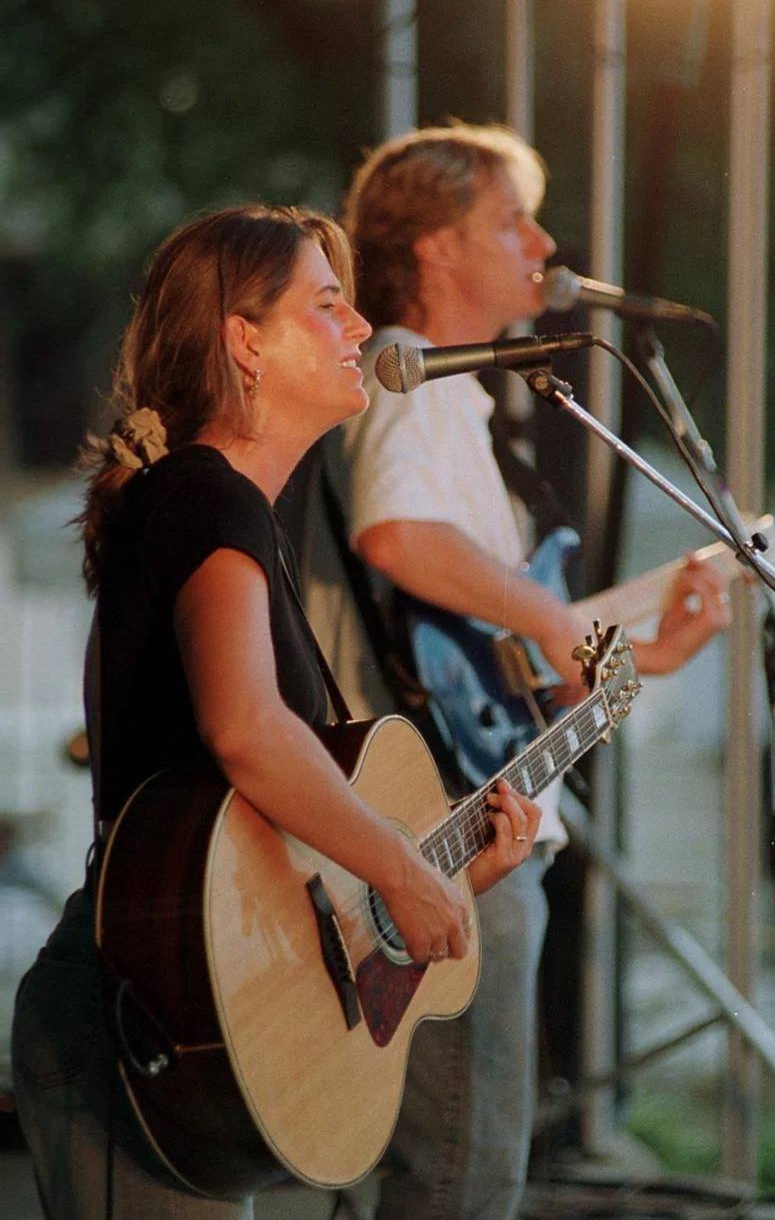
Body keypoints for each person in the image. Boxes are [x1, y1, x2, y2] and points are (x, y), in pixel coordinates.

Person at [10, 204, 540, 1220]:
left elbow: (266, 851)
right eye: (330, 306)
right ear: (244, 340)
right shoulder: (208, 499)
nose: (359, 330)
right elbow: (248, 730)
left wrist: (445, 874)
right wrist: (400, 864)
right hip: (135, 1032)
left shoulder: (225, 509)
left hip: (187, 1024)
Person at [297, 124, 732, 1220]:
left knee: (476, 1158)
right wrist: (548, 615)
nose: (545, 242)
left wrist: (643, 655)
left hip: (480, 816)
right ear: (437, 249)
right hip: (454, 833)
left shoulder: (474, 406)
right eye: (511, 221)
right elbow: (399, 535)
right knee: (462, 1167)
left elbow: (488, 671)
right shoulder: (411, 375)